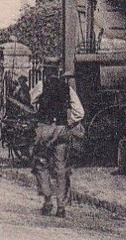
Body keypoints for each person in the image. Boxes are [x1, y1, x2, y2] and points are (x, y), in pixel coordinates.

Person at [32, 71, 86, 217]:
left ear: (46, 70)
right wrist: (68, 123)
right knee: (61, 168)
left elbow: (32, 101)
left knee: (40, 163)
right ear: (59, 72)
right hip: (61, 129)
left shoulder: (41, 85)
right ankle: (61, 206)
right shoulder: (67, 88)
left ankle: (48, 199)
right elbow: (80, 112)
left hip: (45, 128)